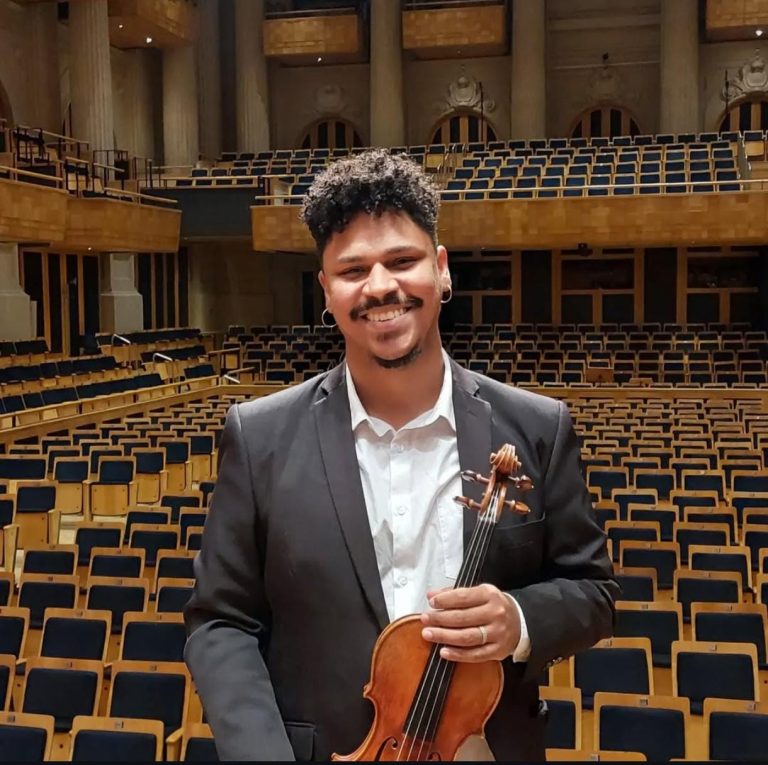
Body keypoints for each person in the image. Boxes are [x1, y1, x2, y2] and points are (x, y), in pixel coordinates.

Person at [184, 149, 617, 761]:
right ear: (327, 292)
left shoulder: (537, 425)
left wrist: (518, 619)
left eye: (403, 260)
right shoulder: (259, 437)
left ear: (441, 270)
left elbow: (592, 592)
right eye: (352, 270)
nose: (380, 286)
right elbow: (221, 622)